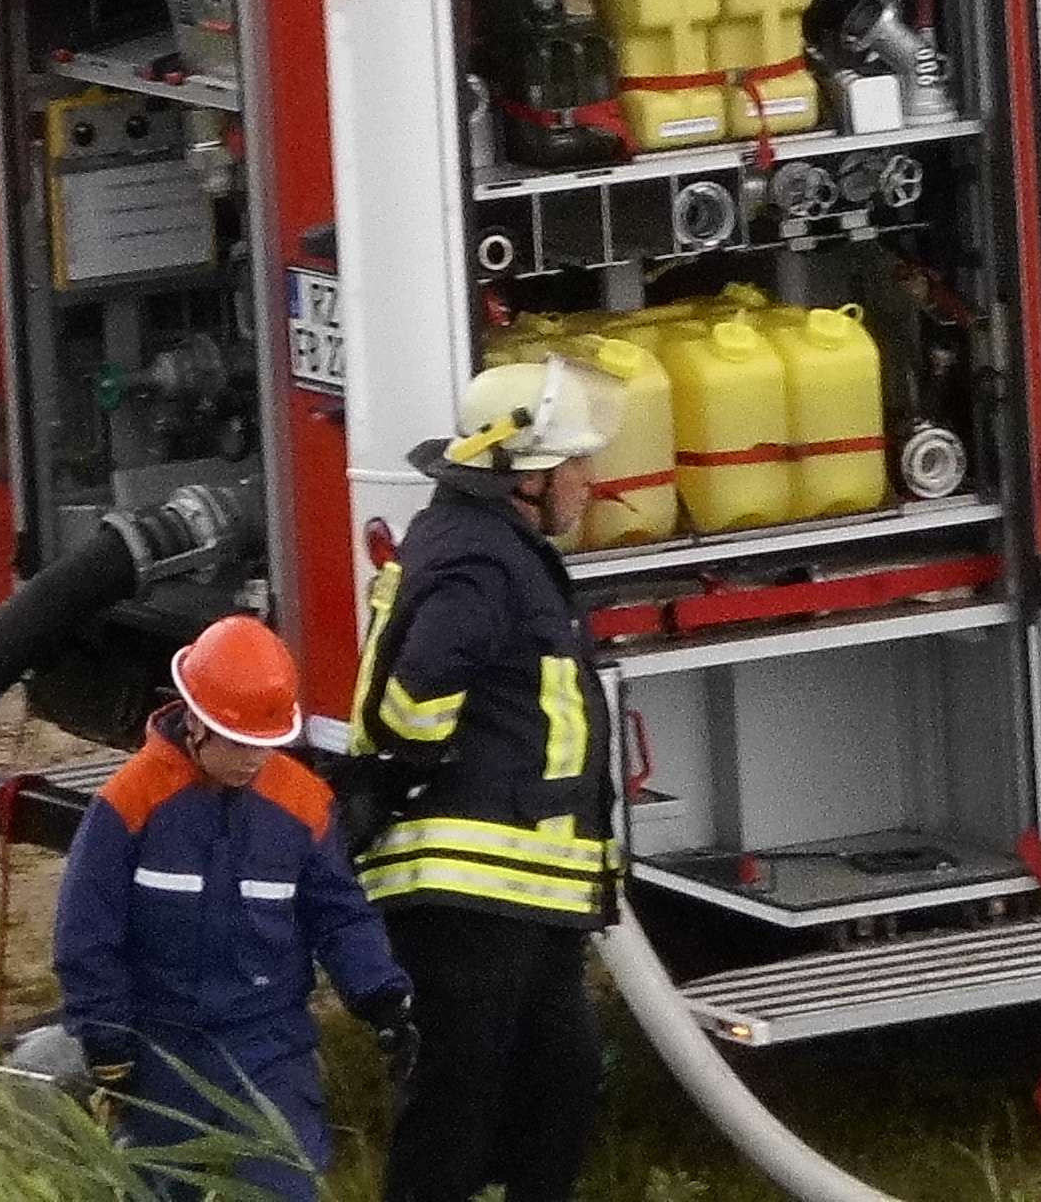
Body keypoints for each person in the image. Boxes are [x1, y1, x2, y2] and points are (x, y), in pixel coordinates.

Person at [354, 358, 623, 1202]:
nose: (589, 479)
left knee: (560, 1082)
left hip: (518, 884)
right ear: (526, 476)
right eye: (575, 462)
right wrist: (449, 767)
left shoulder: (492, 547)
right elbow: (410, 709)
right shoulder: (479, 559)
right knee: (458, 1100)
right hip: (470, 885)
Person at [52, 614, 418, 1202]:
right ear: (196, 722)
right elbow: (87, 933)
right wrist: (107, 1041)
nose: (253, 760)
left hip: (270, 1048)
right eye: (239, 743)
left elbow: (338, 914)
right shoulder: (129, 802)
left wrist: (383, 999)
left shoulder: (303, 805)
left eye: (266, 745)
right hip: (162, 1051)